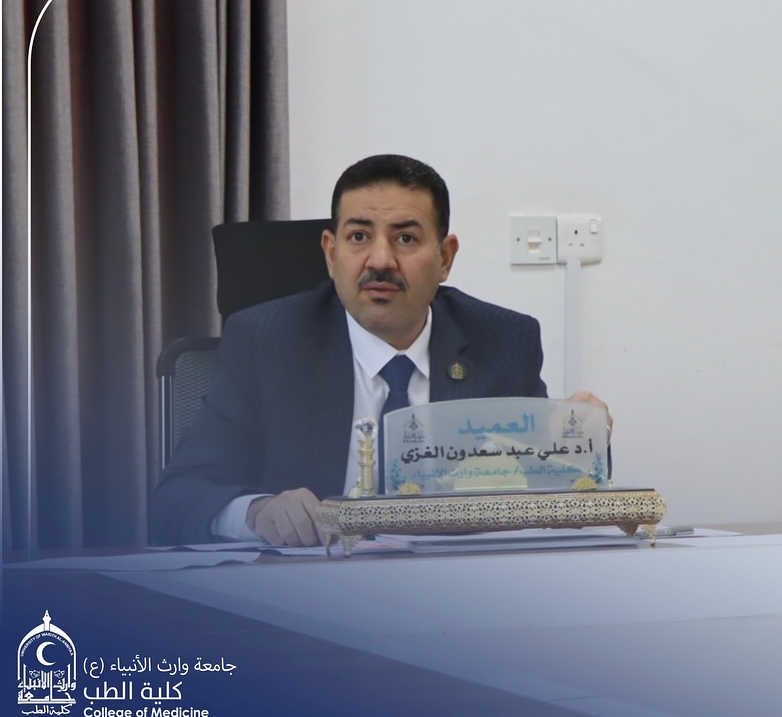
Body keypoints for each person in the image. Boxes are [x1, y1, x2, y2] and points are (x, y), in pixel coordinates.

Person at [150, 154, 609, 546]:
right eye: (359, 237)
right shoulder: (267, 342)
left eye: (406, 238)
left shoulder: (504, 341)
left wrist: (577, 445)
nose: (381, 260)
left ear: (445, 258)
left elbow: (550, 492)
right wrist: (257, 513)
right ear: (331, 253)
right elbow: (178, 498)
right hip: (311, 593)